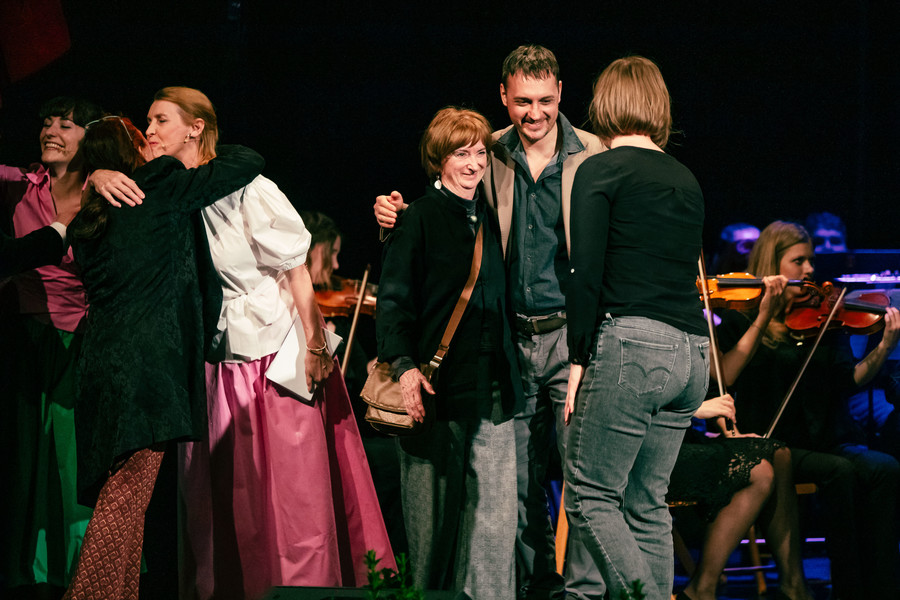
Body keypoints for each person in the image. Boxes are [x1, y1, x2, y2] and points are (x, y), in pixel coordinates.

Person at [97, 86, 395, 599]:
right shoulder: (170, 196)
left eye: (161, 119)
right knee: (226, 504)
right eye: (148, 121)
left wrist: (315, 346)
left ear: (195, 127)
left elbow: (296, 271)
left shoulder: (247, 188)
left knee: (293, 499)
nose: (150, 130)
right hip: (213, 364)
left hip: (273, 355)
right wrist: (99, 174)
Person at [375, 44, 605, 600]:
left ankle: (582, 593)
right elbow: (437, 220)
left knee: (584, 481)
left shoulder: (592, 153)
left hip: (567, 339)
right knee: (515, 489)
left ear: (560, 94)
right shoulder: (492, 149)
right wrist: (393, 219)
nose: (535, 112)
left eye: (545, 100)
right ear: (504, 96)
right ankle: (535, 587)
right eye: (523, 101)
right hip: (506, 343)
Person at [64, 115, 265, 600]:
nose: (151, 138)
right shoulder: (158, 188)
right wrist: (183, 151)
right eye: (142, 136)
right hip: (147, 372)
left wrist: (99, 174)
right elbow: (248, 159)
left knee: (127, 498)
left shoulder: (88, 219)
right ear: (132, 153)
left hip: (100, 367)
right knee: (125, 499)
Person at [563, 55, 709, 600]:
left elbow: (585, 274)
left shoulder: (600, 169)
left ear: (604, 104)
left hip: (634, 348)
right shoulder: (686, 177)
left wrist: (577, 361)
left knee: (589, 496)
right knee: (647, 503)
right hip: (692, 353)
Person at [376, 106, 523, 599]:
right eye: (461, 153)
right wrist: (404, 370)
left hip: (491, 389)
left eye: (479, 152)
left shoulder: (491, 219)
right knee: (431, 537)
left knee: (490, 529)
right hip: (433, 395)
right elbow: (393, 305)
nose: (473, 163)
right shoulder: (416, 217)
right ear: (439, 159)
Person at [716, 220, 900, 600]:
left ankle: (883, 588)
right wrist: (766, 312)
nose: (810, 269)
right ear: (773, 265)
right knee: (840, 471)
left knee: (885, 467)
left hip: (827, 438)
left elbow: (849, 380)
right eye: (799, 261)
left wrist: (883, 347)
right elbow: (726, 379)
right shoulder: (740, 319)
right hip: (775, 442)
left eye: (810, 260)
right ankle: (848, 587)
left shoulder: (822, 316)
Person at [0, 96, 103, 599]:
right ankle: (22, 571)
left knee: (69, 458)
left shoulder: (99, 191)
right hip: (21, 337)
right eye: (46, 122)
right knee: (21, 457)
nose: (51, 130)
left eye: (66, 124)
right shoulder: (19, 183)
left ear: (89, 137)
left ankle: (78, 572)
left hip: (77, 338)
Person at [668, 395, 813, 600]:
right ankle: (702, 589)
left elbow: (715, 389)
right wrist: (692, 409)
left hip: (689, 438)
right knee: (760, 472)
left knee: (779, 454)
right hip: (656, 447)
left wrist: (730, 432)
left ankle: (793, 586)